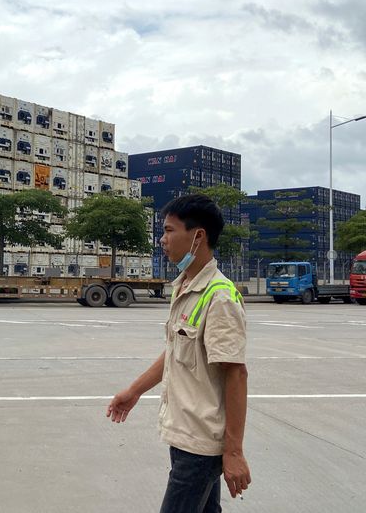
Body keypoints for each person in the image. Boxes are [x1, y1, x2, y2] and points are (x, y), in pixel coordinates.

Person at [106, 194, 251, 512]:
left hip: (200, 445)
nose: (162, 239)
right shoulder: (185, 287)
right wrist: (134, 391)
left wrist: (234, 451)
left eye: (169, 230)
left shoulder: (220, 297)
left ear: (198, 236)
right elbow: (175, 350)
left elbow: (236, 374)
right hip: (185, 437)